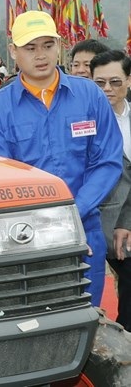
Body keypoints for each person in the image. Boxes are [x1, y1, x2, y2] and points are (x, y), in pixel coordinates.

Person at [0, 11, 122, 307]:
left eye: (47, 45)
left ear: (59, 45)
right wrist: (50, 223)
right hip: (27, 236)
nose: (40, 55)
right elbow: (1, 178)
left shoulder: (89, 96)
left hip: (84, 227)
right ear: (13, 51)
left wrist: (74, 213)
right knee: (36, 317)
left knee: (86, 313)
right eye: (30, 48)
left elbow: (107, 161)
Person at [91, 50, 131, 330]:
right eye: (100, 82)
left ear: (128, 80)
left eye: (115, 82)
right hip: (103, 220)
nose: (107, 89)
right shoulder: (84, 121)